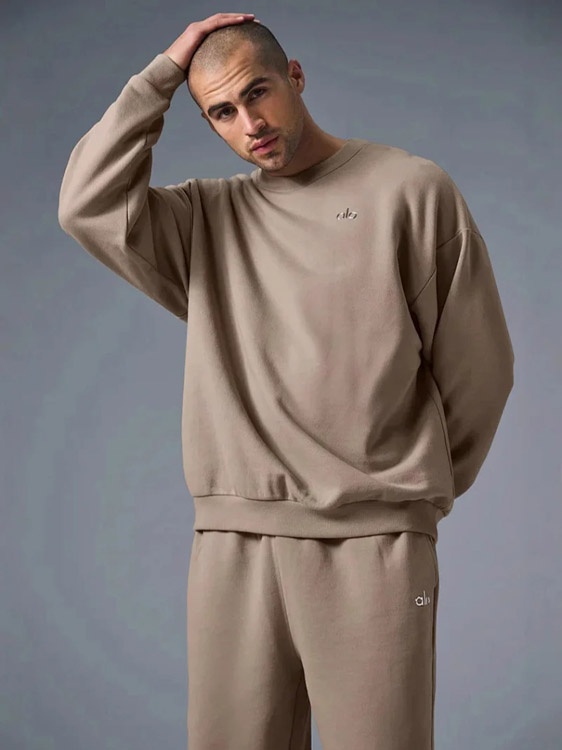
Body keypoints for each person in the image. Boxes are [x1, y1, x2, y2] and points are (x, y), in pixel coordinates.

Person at [57, 12, 515, 750]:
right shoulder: (205, 220)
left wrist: (404, 496)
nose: (251, 124)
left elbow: (480, 368)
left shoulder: (410, 190)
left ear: (295, 76)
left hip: (374, 543)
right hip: (234, 544)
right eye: (222, 112)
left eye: (258, 93)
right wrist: (160, 77)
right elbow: (86, 204)